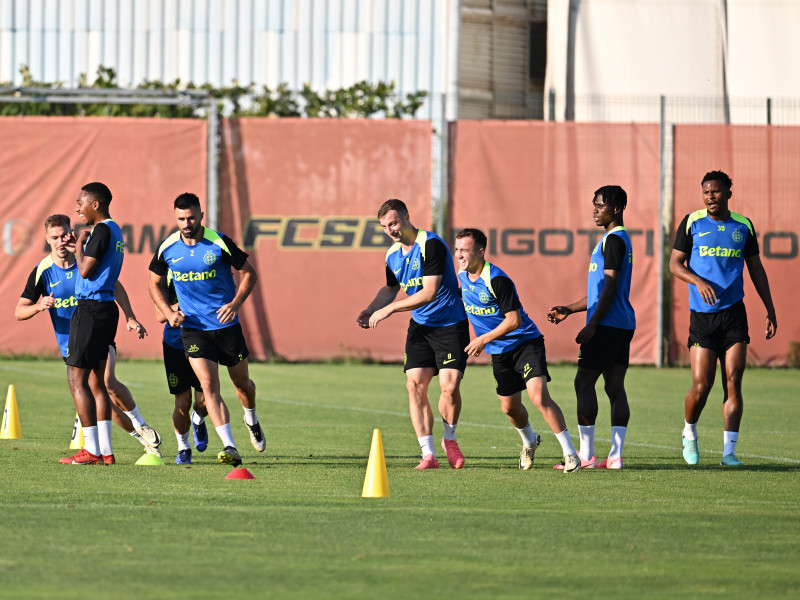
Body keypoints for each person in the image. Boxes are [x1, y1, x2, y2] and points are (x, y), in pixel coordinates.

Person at [15, 214, 163, 463]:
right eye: (55, 237)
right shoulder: (43, 271)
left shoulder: (85, 262)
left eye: (64, 235)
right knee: (99, 392)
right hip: (69, 343)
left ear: (71, 232)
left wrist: (130, 316)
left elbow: (114, 285)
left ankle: (133, 429)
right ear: (46, 239)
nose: (61, 241)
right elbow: (19, 311)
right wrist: (39, 306)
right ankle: (133, 442)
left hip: (96, 326)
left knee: (106, 383)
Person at [669, 170, 777, 467]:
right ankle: (689, 432)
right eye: (706, 192)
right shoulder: (692, 222)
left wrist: (770, 308)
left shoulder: (743, 226)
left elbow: (756, 269)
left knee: (733, 382)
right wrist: (698, 282)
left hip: (734, 316)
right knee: (702, 386)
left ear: (729, 192)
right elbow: (675, 265)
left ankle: (729, 453)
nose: (710, 197)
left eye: (716, 191)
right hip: (703, 318)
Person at [149, 192, 264, 467]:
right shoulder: (167, 248)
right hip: (194, 330)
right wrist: (168, 313)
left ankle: (251, 417)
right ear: (175, 218)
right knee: (209, 385)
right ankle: (230, 445)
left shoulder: (219, 242)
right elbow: (153, 283)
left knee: (242, 385)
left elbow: (250, 273)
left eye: (190, 217)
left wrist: (235, 303)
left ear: (201, 215)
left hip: (226, 326)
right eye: (180, 219)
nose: (186, 223)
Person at [455, 229, 581, 472]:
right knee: (509, 408)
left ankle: (570, 454)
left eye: (465, 250)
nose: (460, 255)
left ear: (480, 252)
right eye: (458, 249)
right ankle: (529, 442)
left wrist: (482, 340)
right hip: (500, 352)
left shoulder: (497, 279)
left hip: (526, 343)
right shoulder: (462, 276)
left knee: (538, 397)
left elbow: (514, 321)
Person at [357, 199, 469, 470]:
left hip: (450, 325)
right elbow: (390, 288)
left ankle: (450, 440)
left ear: (407, 217)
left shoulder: (430, 244)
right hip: (420, 327)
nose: (390, 230)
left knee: (449, 387)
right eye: (385, 227)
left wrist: (390, 311)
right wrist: (370, 309)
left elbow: (429, 292)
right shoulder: (392, 255)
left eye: (393, 223)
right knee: (415, 385)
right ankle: (428, 455)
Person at [547, 185, 636, 470]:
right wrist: (571, 310)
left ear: (617, 208)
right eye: (594, 204)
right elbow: (602, 290)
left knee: (583, 383)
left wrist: (592, 325)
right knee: (614, 387)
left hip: (606, 325)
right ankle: (616, 457)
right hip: (621, 324)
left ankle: (586, 455)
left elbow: (609, 287)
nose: (595, 210)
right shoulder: (617, 240)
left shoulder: (613, 240)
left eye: (600, 205)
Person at [156, 277, 209, 465]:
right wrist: (184, 301)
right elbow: (159, 316)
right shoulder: (164, 282)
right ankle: (183, 447)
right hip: (175, 346)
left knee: (204, 402)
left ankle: (198, 419)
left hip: (203, 341)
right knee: (183, 401)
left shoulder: (203, 275)